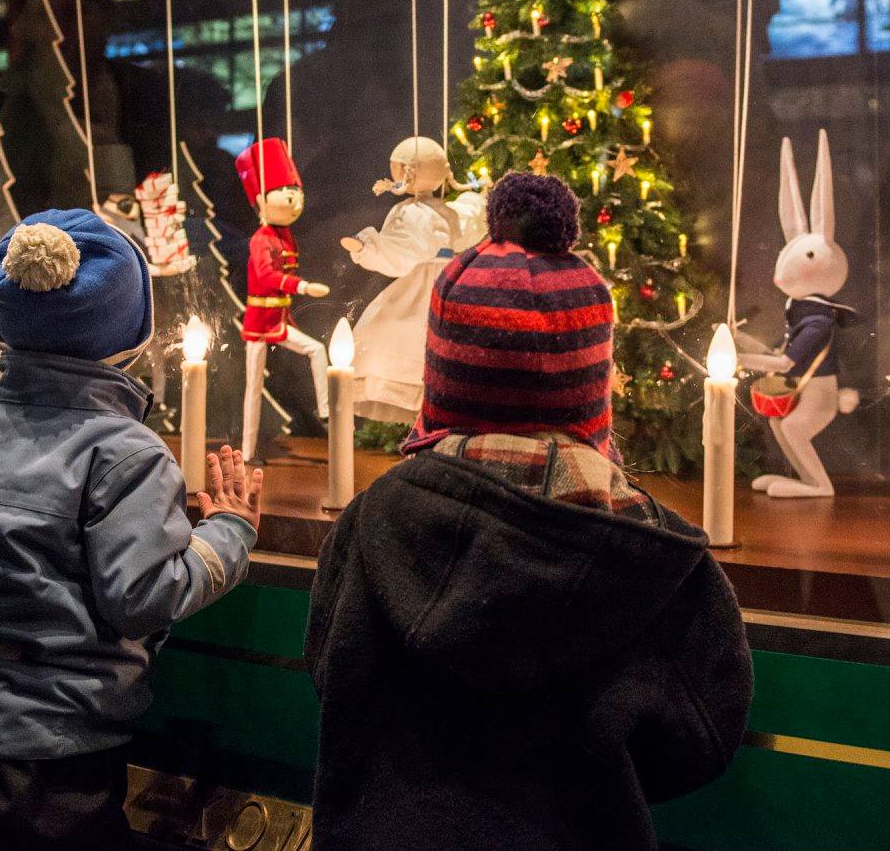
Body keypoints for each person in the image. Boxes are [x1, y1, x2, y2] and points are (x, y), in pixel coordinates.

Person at [305, 173, 754, 851]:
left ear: (442, 379)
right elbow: (699, 740)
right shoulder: (653, 549)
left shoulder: (374, 517)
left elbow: (327, 667)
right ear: (591, 388)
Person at [0, 208, 263, 851]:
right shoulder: (126, 454)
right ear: (133, 338)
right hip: (56, 766)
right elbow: (143, 596)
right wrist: (228, 531)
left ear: (2, 331)